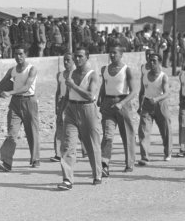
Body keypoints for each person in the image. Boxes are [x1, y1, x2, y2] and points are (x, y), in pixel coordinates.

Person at [56, 47, 101, 189]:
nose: (77, 59)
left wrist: (74, 86)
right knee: (68, 144)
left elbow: (90, 95)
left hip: (88, 109)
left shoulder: (92, 75)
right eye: (75, 56)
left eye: (80, 56)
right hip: (71, 110)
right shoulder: (71, 74)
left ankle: (97, 174)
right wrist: (60, 113)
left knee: (92, 144)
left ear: (87, 57)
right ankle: (67, 179)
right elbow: (66, 95)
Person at [0, 46, 40, 172]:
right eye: (16, 54)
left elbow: (26, 87)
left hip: (29, 101)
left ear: (26, 54)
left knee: (32, 132)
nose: (18, 57)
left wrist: (10, 92)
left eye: (20, 54)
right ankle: (7, 162)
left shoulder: (32, 69)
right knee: (11, 133)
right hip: (15, 103)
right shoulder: (12, 70)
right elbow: (0, 84)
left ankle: (35, 158)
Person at [98, 44, 137, 175]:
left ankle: (129, 162)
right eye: (110, 52)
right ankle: (104, 164)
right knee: (107, 135)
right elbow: (104, 85)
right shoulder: (104, 69)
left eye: (115, 53)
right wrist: (100, 98)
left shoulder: (127, 70)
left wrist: (122, 103)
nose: (112, 55)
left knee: (127, 135)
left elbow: (133, 91)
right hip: (108, 104)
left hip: (123, 103)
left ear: (121, 54)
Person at [137, 53, 171, 165]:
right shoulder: (145, 75)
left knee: (165, 130)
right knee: (143, 131)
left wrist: (156, 99)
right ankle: (144, 157)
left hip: (161, 104)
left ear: (159, 62)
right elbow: (142, 92)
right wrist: (139, 105)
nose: (151, 63)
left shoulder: (163, 76)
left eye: (154, 61)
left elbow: (166, 93)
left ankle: (167, 152)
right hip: (147, 104)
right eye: (150, 60)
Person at [50, 53, 72, 163]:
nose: (66, 62)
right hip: (63, 101)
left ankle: (85, 149)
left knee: (80, 128)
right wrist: (56, 106)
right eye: (64, 60)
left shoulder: (76, 74)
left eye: (68, 60)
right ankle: (58, 153)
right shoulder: (60, 75)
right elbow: (58, 91)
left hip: (74, 101)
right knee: (59, 127)